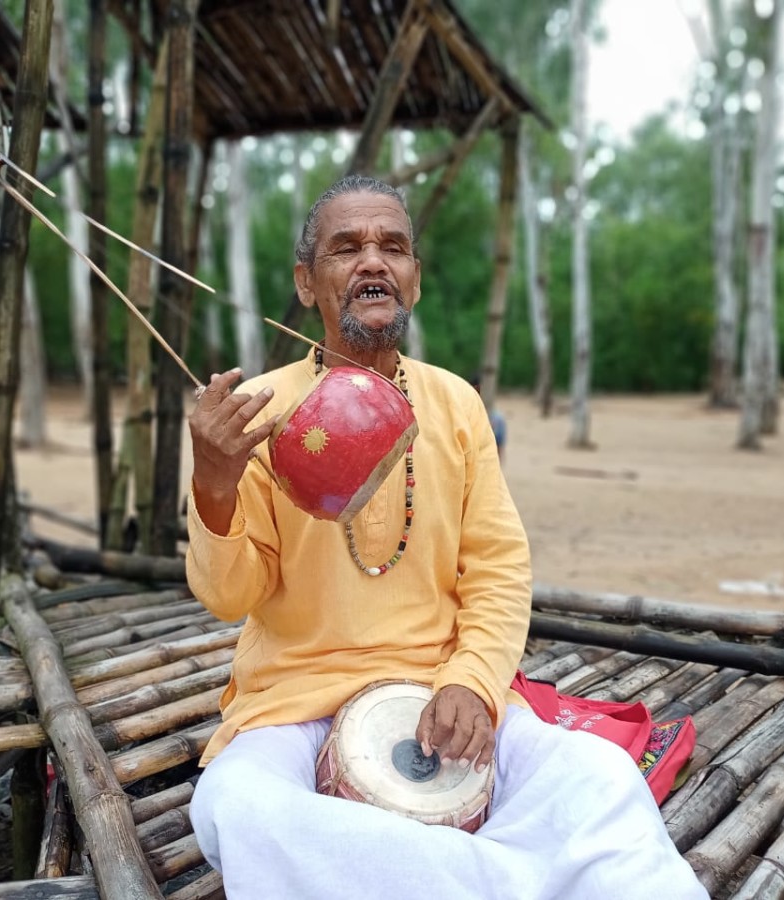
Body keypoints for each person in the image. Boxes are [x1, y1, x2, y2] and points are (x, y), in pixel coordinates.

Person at [185, 175, 706, 900]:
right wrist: (214, 484)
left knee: (602, 779)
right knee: (236, 808)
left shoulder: (456, 402)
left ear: (415, 278)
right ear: (306, 283)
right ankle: (508, 882)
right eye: (347, 248)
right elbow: (229, 595)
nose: (373, 262)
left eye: (392, 247)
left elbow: (497, 568)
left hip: (442, 690)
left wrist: (471, 682)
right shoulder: (259, 411)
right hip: (298, 703)